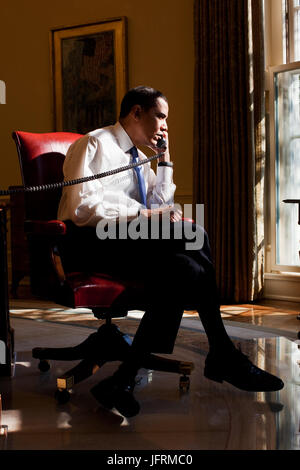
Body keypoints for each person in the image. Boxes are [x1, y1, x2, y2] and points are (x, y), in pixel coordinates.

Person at [58, 86, 284, 417]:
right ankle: (222, 354)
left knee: (186, 269)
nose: (165, 125)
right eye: (160, 116)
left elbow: (159, 206)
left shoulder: (140, 156)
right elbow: (81, 207)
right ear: (136, 112)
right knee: (195, 234)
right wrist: (144, 216)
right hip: (92, 243)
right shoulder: (94, 143)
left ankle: (124, 379)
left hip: (130, 242)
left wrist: (164, 160)